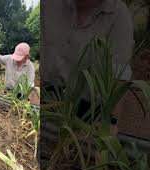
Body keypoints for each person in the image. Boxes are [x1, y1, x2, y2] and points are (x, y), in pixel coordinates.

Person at [44, 0, 134, 135]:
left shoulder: (118, 15)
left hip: (88, 112)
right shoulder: (48, 5)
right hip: (47, 98)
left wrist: (110, 121)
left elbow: (119, 74)